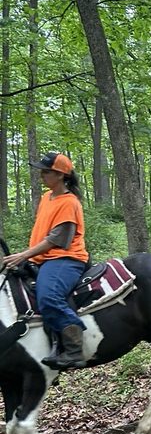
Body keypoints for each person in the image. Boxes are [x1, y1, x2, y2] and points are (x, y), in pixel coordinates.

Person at [2, 151, 89, 369]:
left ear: (60, 175)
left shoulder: (69, 202)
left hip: (65, 258)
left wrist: (24, 254)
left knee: (49, 296)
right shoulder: (46, 197)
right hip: (42, 258)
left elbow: (57, 239)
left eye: (46, 171)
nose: (41, 175)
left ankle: (74, 349)